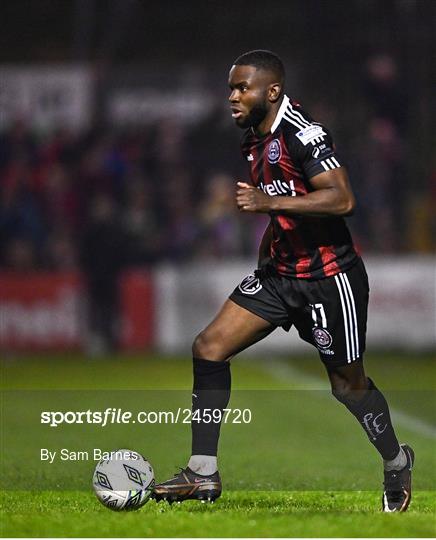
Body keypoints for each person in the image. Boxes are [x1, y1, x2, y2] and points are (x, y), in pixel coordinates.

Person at [152, 50, 414, 512]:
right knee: (209, 347)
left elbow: (341, 199)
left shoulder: (303, 134)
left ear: (271, 91)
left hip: (329, 278)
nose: (232, 96)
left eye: (242, 88)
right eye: (231, 88)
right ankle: (203, 471)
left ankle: (396, 462)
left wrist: (267, 205)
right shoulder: (255, 139)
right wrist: (265, 254)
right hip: (279, 275)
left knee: (347, 386)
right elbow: (280, 202)